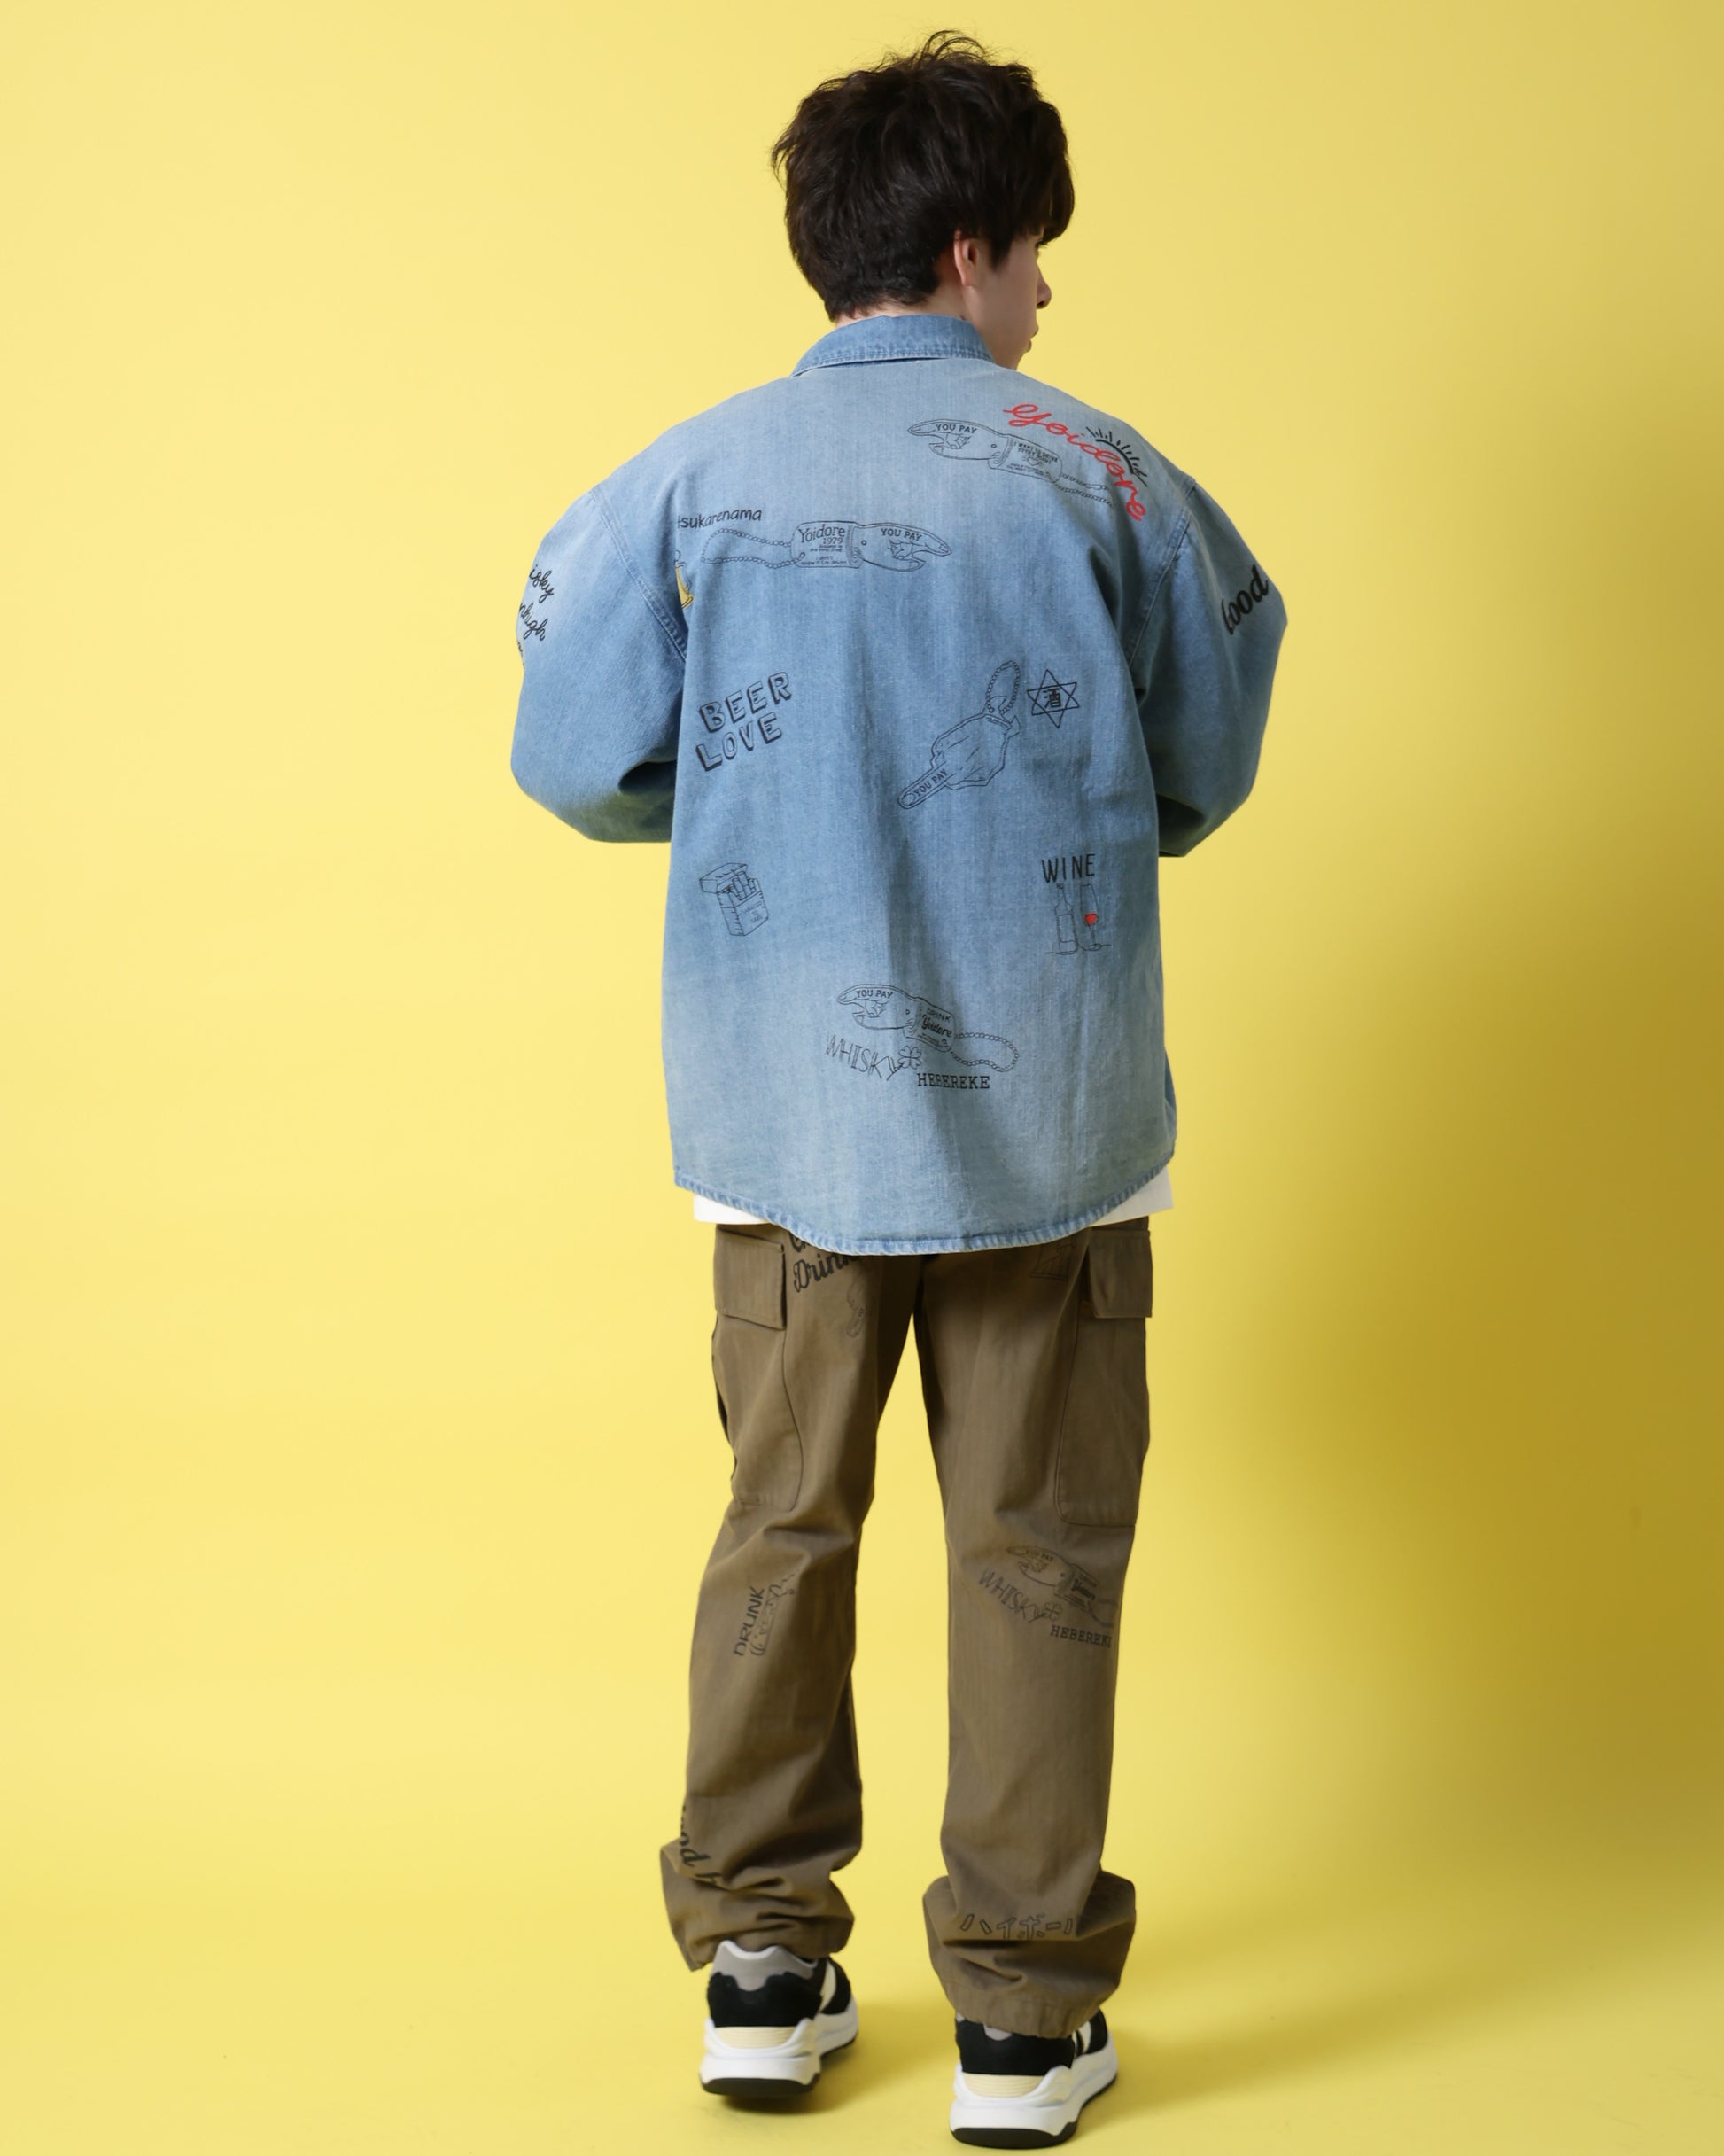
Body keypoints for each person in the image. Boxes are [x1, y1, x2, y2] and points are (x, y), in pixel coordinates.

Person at [509, 29, 1287, 2146]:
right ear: (967, 250)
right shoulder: (1100, 470)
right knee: (1036, 1549)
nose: (1043, 294)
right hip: (1054, 1123)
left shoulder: (686, 477)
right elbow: (1208, 750)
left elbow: (570, 750)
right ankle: (1021, 2022)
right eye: (1033, 254)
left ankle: (759, 1970)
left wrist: (740, 810)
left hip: (785, 1125)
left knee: (781, 1522)